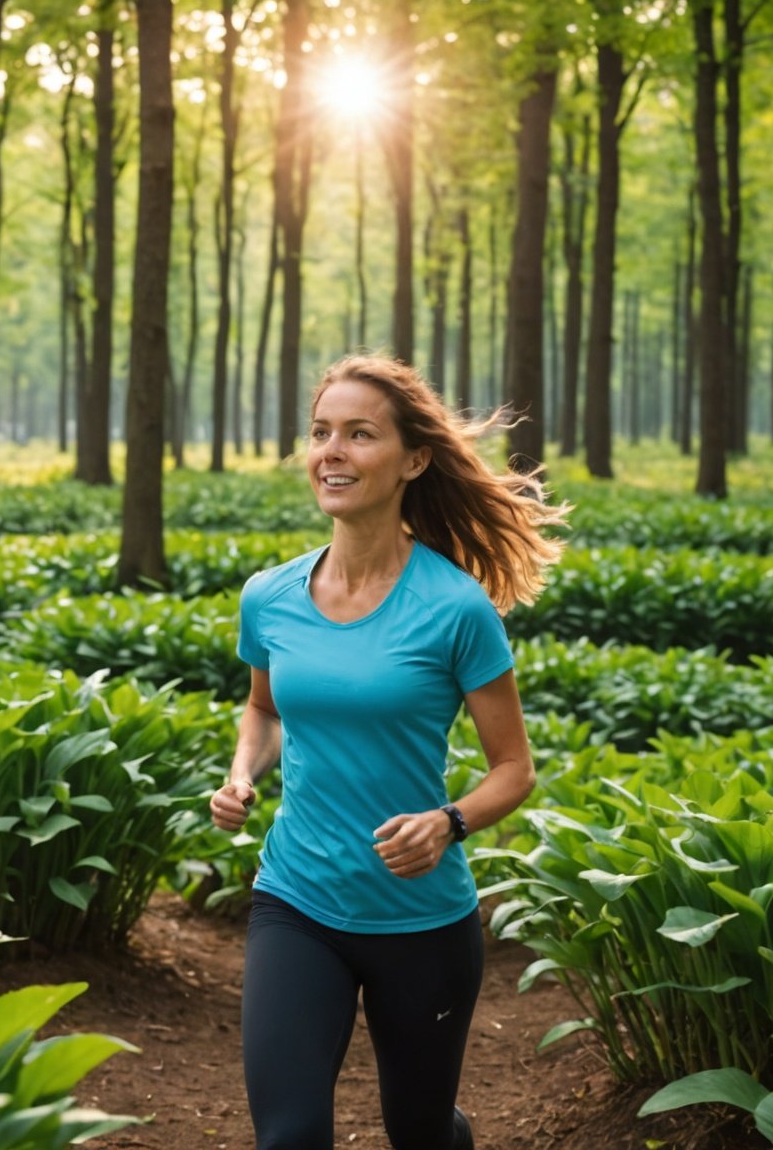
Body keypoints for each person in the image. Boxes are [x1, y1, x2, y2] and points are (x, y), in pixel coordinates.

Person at [211, 355, 566, 1150]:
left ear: (412, 460)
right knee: (290, 1138)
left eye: (358, 434)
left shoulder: (456, 608)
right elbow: (263, 711)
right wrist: (242, 774)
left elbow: (514, 768)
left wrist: (447, 822)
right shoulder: (269, 596)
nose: (331, 451)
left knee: (422, 1135)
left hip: (421, 921)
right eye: (320, 433)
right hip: (296, 902)